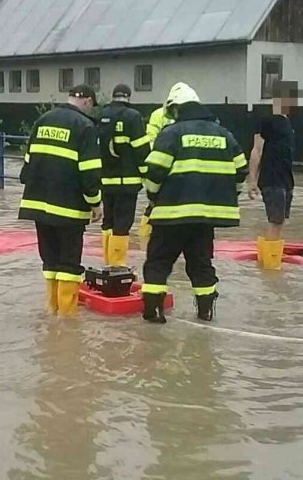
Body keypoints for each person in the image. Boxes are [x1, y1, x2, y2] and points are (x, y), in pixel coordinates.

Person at [141, 82, 247, 323]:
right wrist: (227, 196)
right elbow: (241, 171)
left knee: (158, 262)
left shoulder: (171, 133)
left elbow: (154, 172)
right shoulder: (224, 134)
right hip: (205, 219)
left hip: (170, 216)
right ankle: (205, 313)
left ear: (176, 109)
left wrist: (154, 198)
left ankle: (153, 314)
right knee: (201, 264)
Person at [19, 84, 102, 317]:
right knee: (68, 263)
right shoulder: (85, 126)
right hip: (69, 209)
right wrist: (95, 203)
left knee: (50, 259)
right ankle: (67, 319)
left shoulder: (43, 120)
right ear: (87, 101)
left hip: (37, 205)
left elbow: (27, 165)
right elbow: (90, 172)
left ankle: (51, 310)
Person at [246, 81, 300, 269]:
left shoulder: (287, 122)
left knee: (279, 221)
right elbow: (256, 151)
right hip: (272, 178)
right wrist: (252, 179)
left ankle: (265, 260)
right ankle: (270, 269)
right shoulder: (266, 121)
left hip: (285, 179)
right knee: (275, 221)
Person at [97, 84, 151, 267]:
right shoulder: (133, 117)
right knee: (122, 224)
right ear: (128, 97)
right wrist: (149, 178)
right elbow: (142, 150)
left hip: (105, 181)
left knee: (108, 222)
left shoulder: (101, 115)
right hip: (127, 183)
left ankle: (107, 263)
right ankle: (117, 266)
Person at [138, 83, 185, 247]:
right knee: (154, 204)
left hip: (174, 168)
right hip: (163, 166)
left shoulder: (166, 115)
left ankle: (145, 239)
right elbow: (150, 139)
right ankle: (143, 238)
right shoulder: (159, 115)